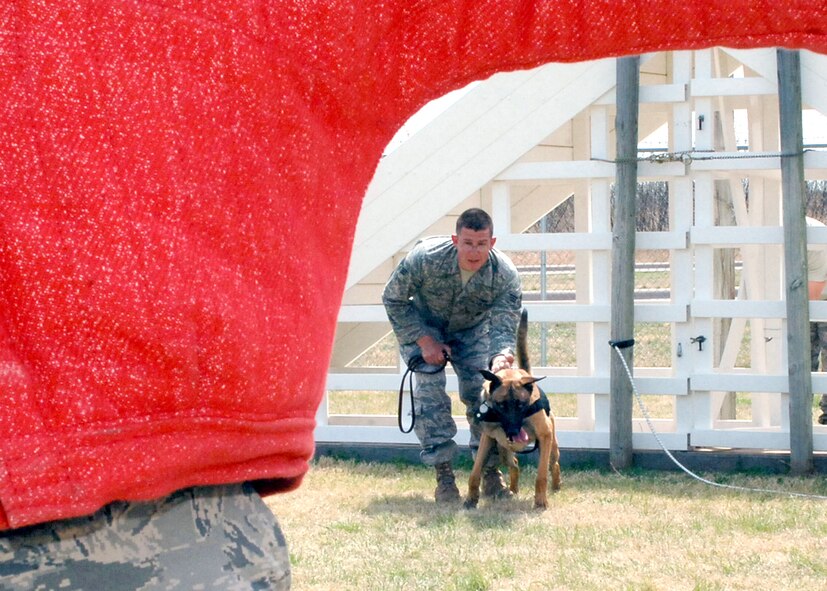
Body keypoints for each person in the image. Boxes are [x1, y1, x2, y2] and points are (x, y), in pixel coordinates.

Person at [382, 208, 523, 502]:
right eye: (468, 242)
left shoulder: (505, 274)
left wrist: (500, 356)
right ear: (455, 239)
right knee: (430, 390)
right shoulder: (425, 258)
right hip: (424, 326)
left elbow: (504, 323)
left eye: (481, 243)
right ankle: (444, 475)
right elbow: (393, 298)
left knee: (483, 393)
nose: (474, 250)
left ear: (492, 242)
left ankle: (488, 472)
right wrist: (424, 341)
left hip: (472, 331)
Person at [807, 216, 827, 425]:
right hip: (808, 292)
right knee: (803, 359)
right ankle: (799, 417)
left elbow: (812, 295)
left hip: (821, 295)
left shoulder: (815, 238)